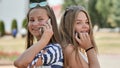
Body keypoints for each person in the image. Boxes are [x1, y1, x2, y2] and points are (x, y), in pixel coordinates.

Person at [14, 1, 63, 68]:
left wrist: (44, 40)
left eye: (40, 19)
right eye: (31, 20)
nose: (35, 23)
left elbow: (19, 63)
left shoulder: (54, 49)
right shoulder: (38, 47)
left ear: (50, 22)